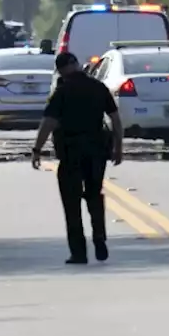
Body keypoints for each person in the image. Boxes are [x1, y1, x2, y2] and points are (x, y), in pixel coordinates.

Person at [30, 52, 124, 264]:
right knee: (94, 194)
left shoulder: (62, 92)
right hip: (97, 151)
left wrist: (37, 150)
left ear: (61, 70)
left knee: (71, 203)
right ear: (77, 66)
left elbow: (49, 123)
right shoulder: (98, 88)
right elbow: (115, 119)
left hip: (70, 152)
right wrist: (118, 147)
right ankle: (99, 236)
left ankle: (79, 252)